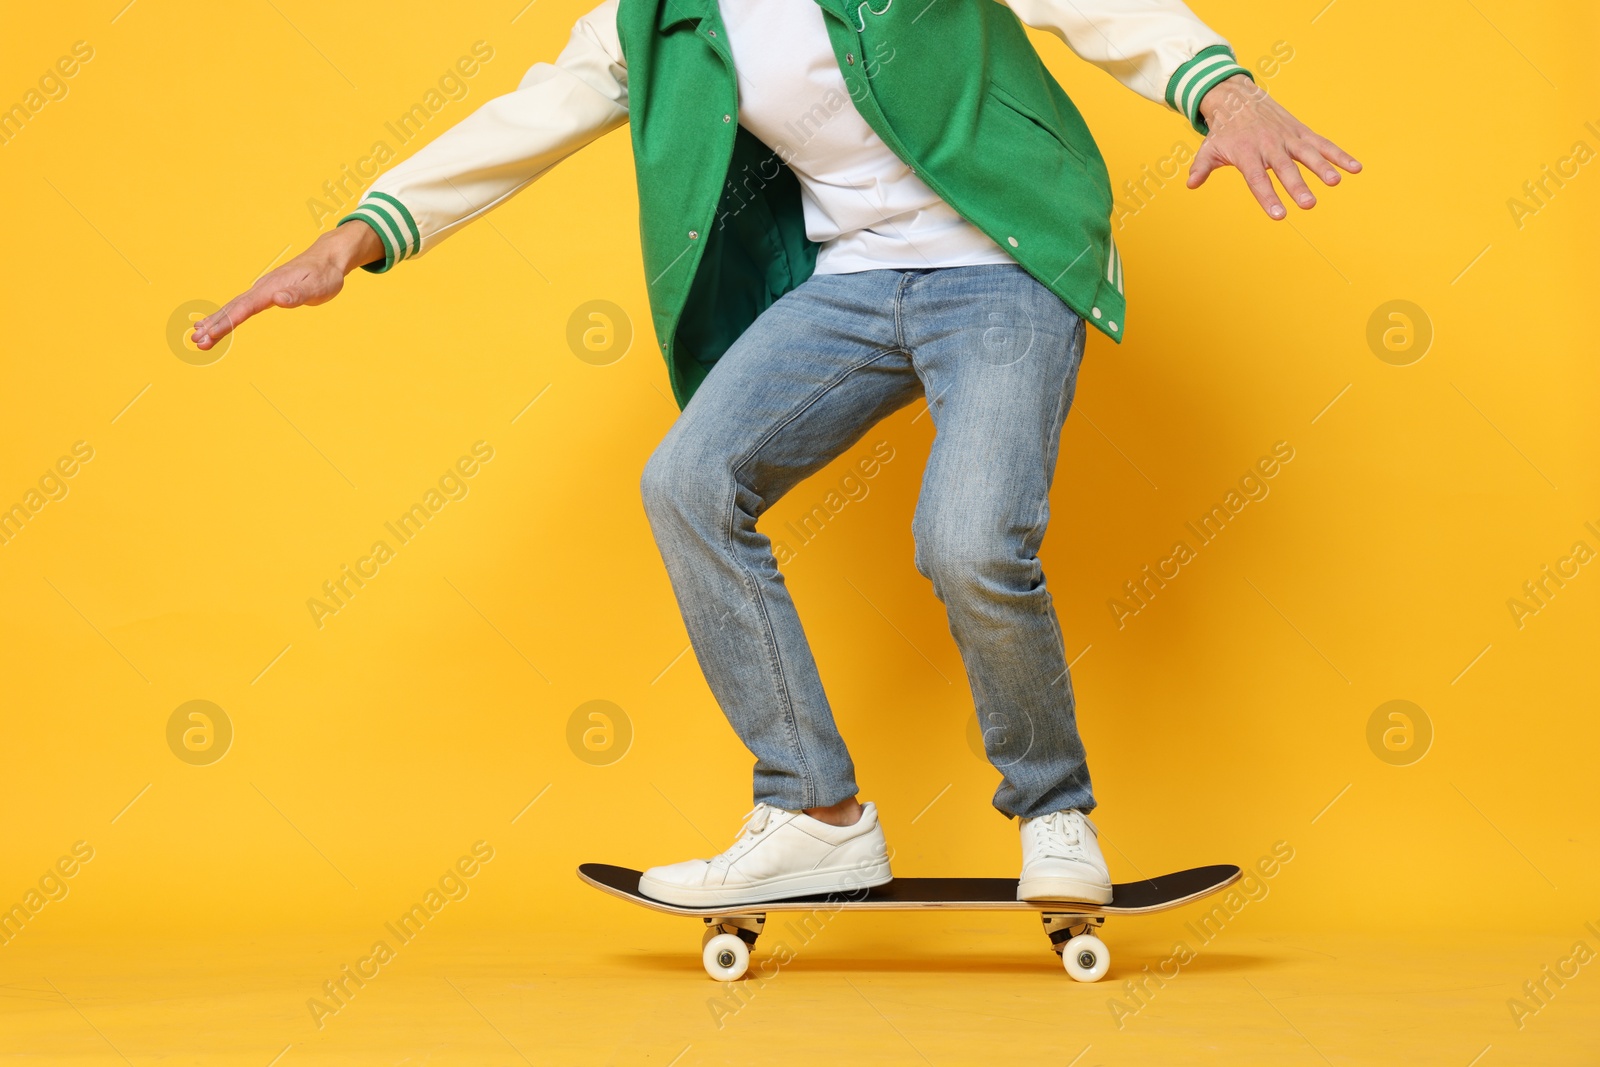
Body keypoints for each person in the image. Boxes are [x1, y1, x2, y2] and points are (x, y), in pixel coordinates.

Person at [194, 0, 1358, 909]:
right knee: (688, 482)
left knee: (966, 539)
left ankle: (1054, 813)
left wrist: (1227, 93)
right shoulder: (656, 21)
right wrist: (354, 238)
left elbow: (1109, 9)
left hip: (1001, 265)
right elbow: (526, 117)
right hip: (850, 285)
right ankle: (815, 813)